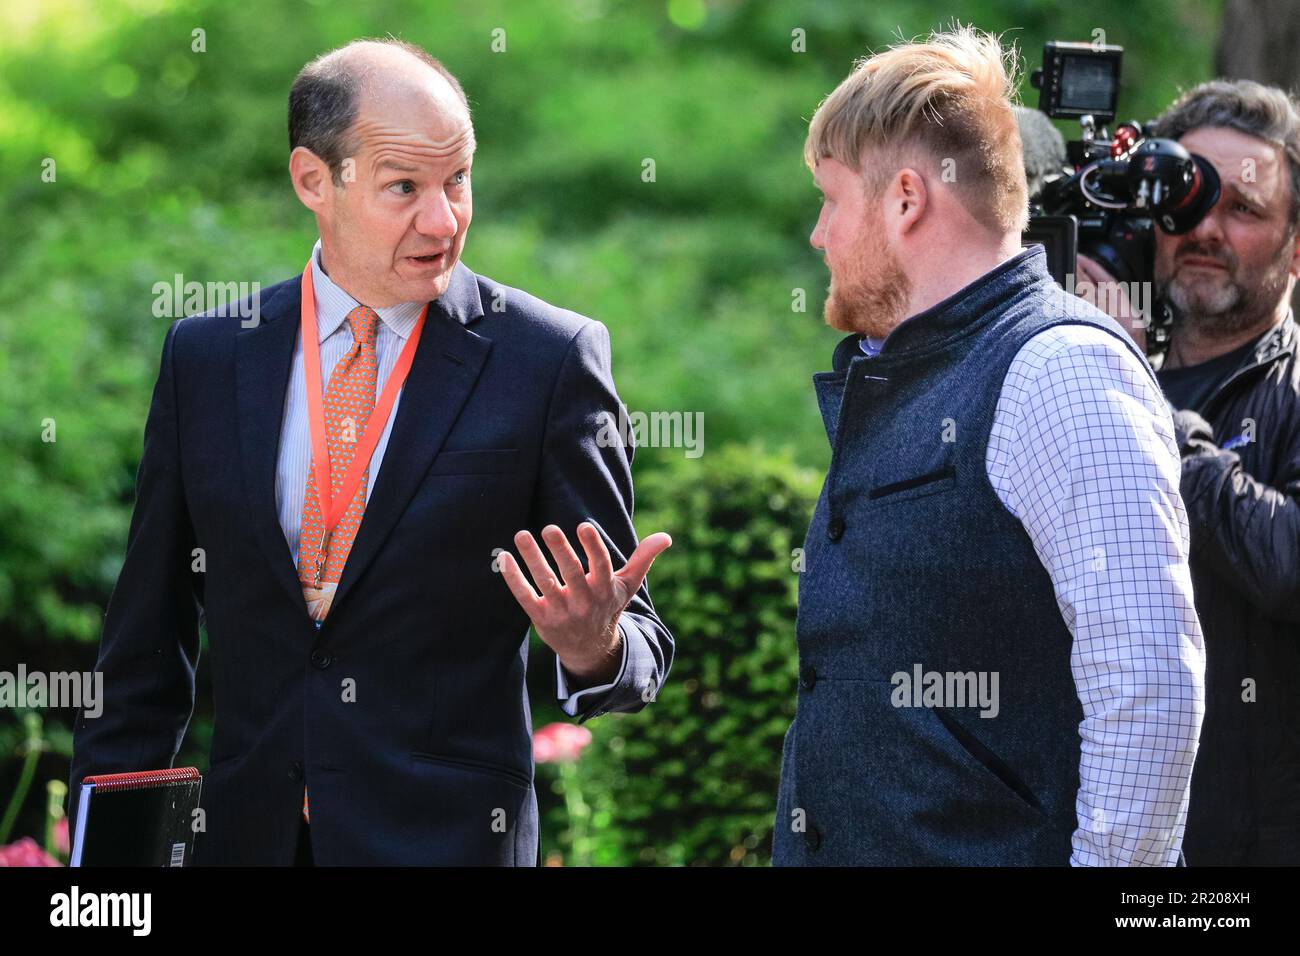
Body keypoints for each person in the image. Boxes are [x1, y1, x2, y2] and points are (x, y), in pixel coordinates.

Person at [67, 38, 673, 866]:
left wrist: (593, 647)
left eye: (458, 179)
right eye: (405, 187)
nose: (444, 218)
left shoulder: (549, 360)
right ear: (314, 180)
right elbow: (142, 648)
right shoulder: (205, 358)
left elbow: (632, 640)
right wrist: (106, 884)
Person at [773, 25, 1205, 866]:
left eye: (831, 200)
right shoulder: (912, 364)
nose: (820, 235)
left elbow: (1149, 687)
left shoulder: (1063, 370)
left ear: (905, 198)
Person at [1076, 79, 1300, 866]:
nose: (1205, 227)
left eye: (1243, 209)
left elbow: (1289, 568)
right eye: (1185, 199)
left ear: (1297, 246)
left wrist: (1139, 393)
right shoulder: (1086, 371)